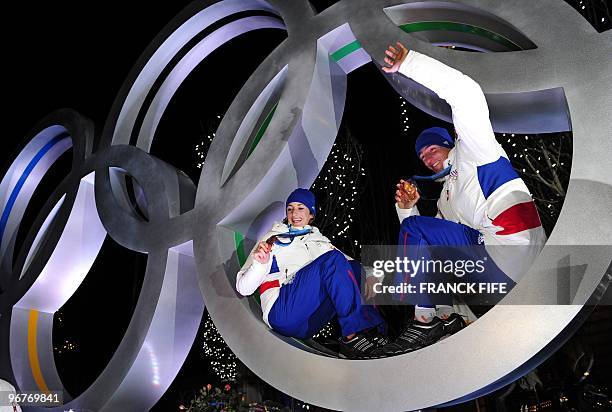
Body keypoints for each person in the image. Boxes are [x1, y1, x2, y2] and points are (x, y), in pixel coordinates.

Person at [375, 42, 546, 354]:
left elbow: (466, 91)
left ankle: (427, 320)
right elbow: (425, 249)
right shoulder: (445, 199)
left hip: (514, 257)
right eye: (422, 156)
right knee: (420, 241)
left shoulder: (475, 150)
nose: (427, 158)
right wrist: (407, 208)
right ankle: (449, 319)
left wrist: (409, 63)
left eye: (432, 149)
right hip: (497, 278)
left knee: (419, 235)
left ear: (449, 143)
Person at [236, 188, 388, 359]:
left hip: (309, 323)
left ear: (311, 214)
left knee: (356, 269)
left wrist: (372, 275)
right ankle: (351, 337)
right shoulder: (273, 238)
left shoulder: (321, 242)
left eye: (301, 208)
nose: (295, 213)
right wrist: (260, 264)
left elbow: (353, 266)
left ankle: (372, 332)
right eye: (290, 209)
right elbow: (243, 288)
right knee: (333, 260)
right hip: (282, 311)